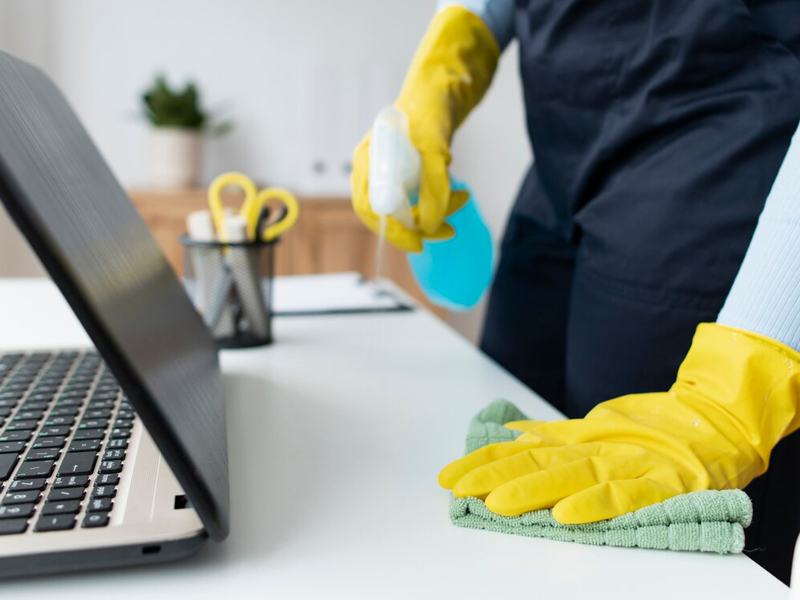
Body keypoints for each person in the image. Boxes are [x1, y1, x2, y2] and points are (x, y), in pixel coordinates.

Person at [350, 0, 800, 582]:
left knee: (642, 539)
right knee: (504, 470)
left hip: (718, 161)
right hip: (561, 161)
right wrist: (441, 66)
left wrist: (740, 388)